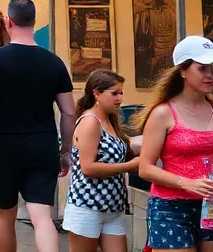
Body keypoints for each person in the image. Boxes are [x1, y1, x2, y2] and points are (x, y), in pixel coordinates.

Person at [0, 0, 74, 252]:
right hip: (42, 144)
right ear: (34, 23)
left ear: (8, 22)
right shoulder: (53, 62)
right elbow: (69, 111)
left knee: (4, 216)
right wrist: (65, 150)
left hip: (3, 145)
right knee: (42, 217)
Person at [134, 35, 213, 252]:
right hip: (171, 208)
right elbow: (145, 168)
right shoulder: (163, 113)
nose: (210, 75)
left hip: (210, 207)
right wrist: (186, 183)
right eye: (202, 68)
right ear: (182, 70)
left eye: (212, 68)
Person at [63, 69, 137, 252]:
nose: (119, 98)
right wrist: (130, 166)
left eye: (121, 93)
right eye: (114, 93)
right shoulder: (90, 121)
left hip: (113, 208)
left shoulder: (111, 121)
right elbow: (88, 167)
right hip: (87, 206)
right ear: (97, 93)